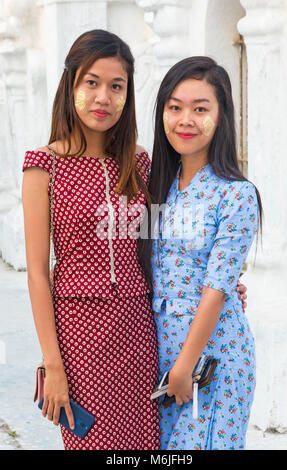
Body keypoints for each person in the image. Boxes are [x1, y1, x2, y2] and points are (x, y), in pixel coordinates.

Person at [21, 29, 160, 450]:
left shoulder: (138, 162)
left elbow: (155, 248)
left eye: (116, 86)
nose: (103, 97)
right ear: (71, 86)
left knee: (145, 445)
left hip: (138, 329)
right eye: (92, 82)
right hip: (78, 333)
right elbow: (37, 274)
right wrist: (53, 365)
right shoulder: (43, 166)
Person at [139, 56, 262, 450]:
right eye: (174, 107)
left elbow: (217, 287)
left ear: (221, 116)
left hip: (213, 361)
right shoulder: (158, 187)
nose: (185, 119)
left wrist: (185, 365)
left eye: (200, 108)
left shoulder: (236, 194)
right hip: (161, 357)